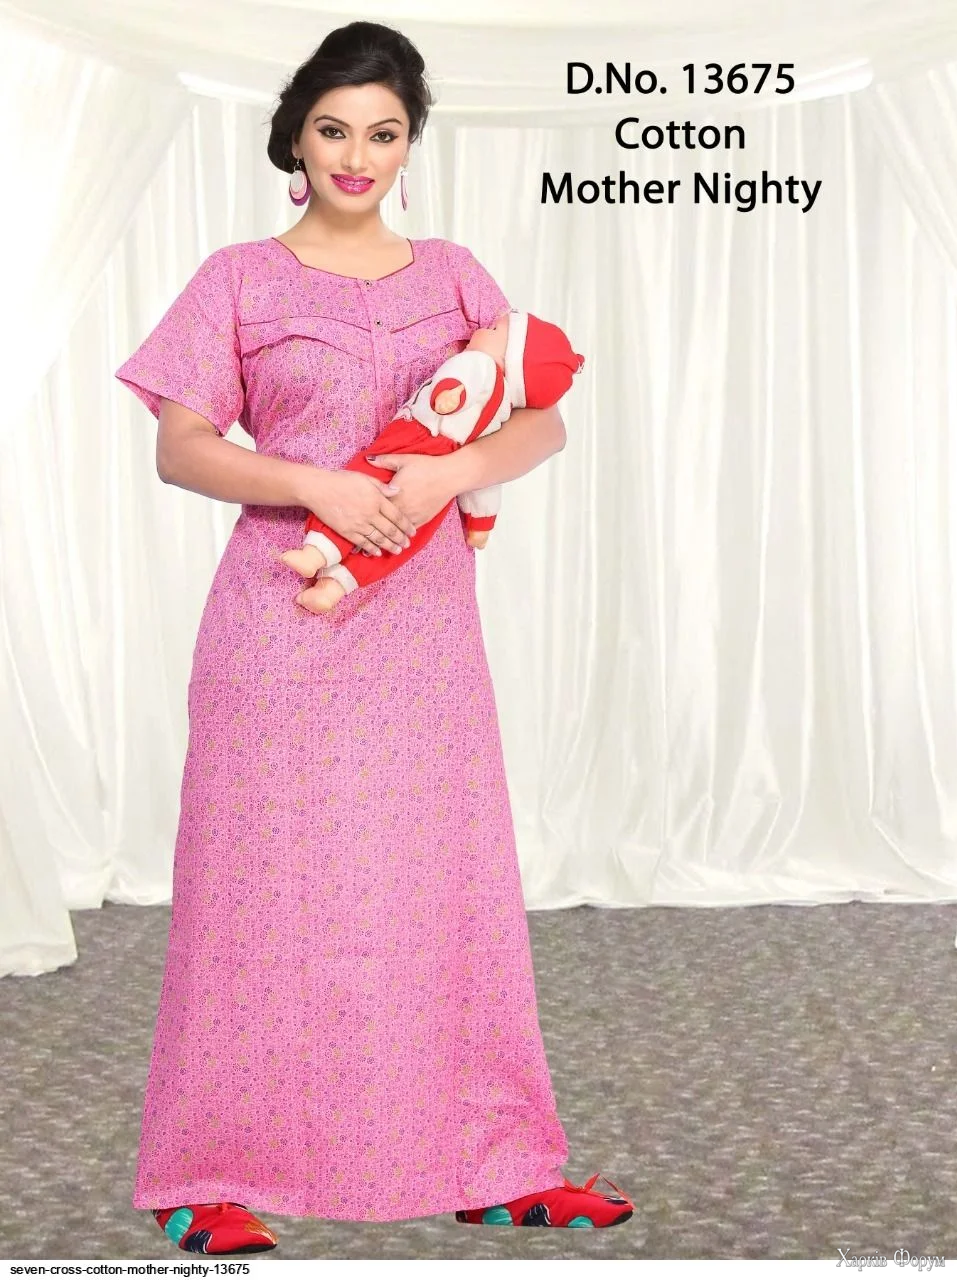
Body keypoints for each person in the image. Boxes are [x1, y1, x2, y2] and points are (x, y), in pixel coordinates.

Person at [114, 19, 634, 1254]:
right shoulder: (238, 278)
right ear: (295, 137)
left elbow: (541, 419)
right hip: (280, 619)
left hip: (424, 631)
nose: (358, 155)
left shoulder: (452, 273)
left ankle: (493, 1159)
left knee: (444, 886)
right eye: (336, 129)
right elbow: (181, 448)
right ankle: (207, 1169)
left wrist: (450, 472)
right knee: (256, 889)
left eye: (384, 133)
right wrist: (318, 484)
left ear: (410, 145)